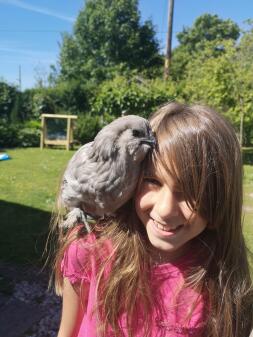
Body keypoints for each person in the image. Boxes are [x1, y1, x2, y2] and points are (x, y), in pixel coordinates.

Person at [50, 102, 253, 337]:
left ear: (220, 198)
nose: (165, 210)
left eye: (191, 192)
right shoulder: (88, 250)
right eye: (153, 181)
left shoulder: (223, 281)